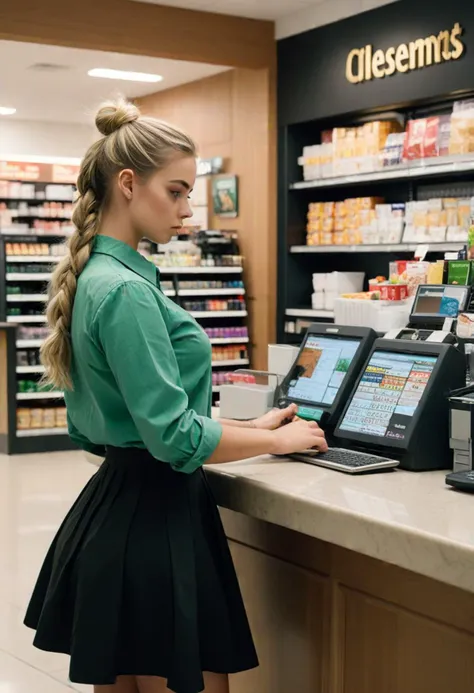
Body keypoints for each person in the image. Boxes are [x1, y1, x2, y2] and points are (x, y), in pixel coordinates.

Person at [24, 99, 328, 693]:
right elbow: (173, 438)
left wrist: (258, 429)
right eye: (178, 191)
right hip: (157, 528)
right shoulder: (128, 293)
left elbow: (103, 425)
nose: (189, 212)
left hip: (112, 516)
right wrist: (285, 438)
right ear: (129, 184)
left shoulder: (95, 278)